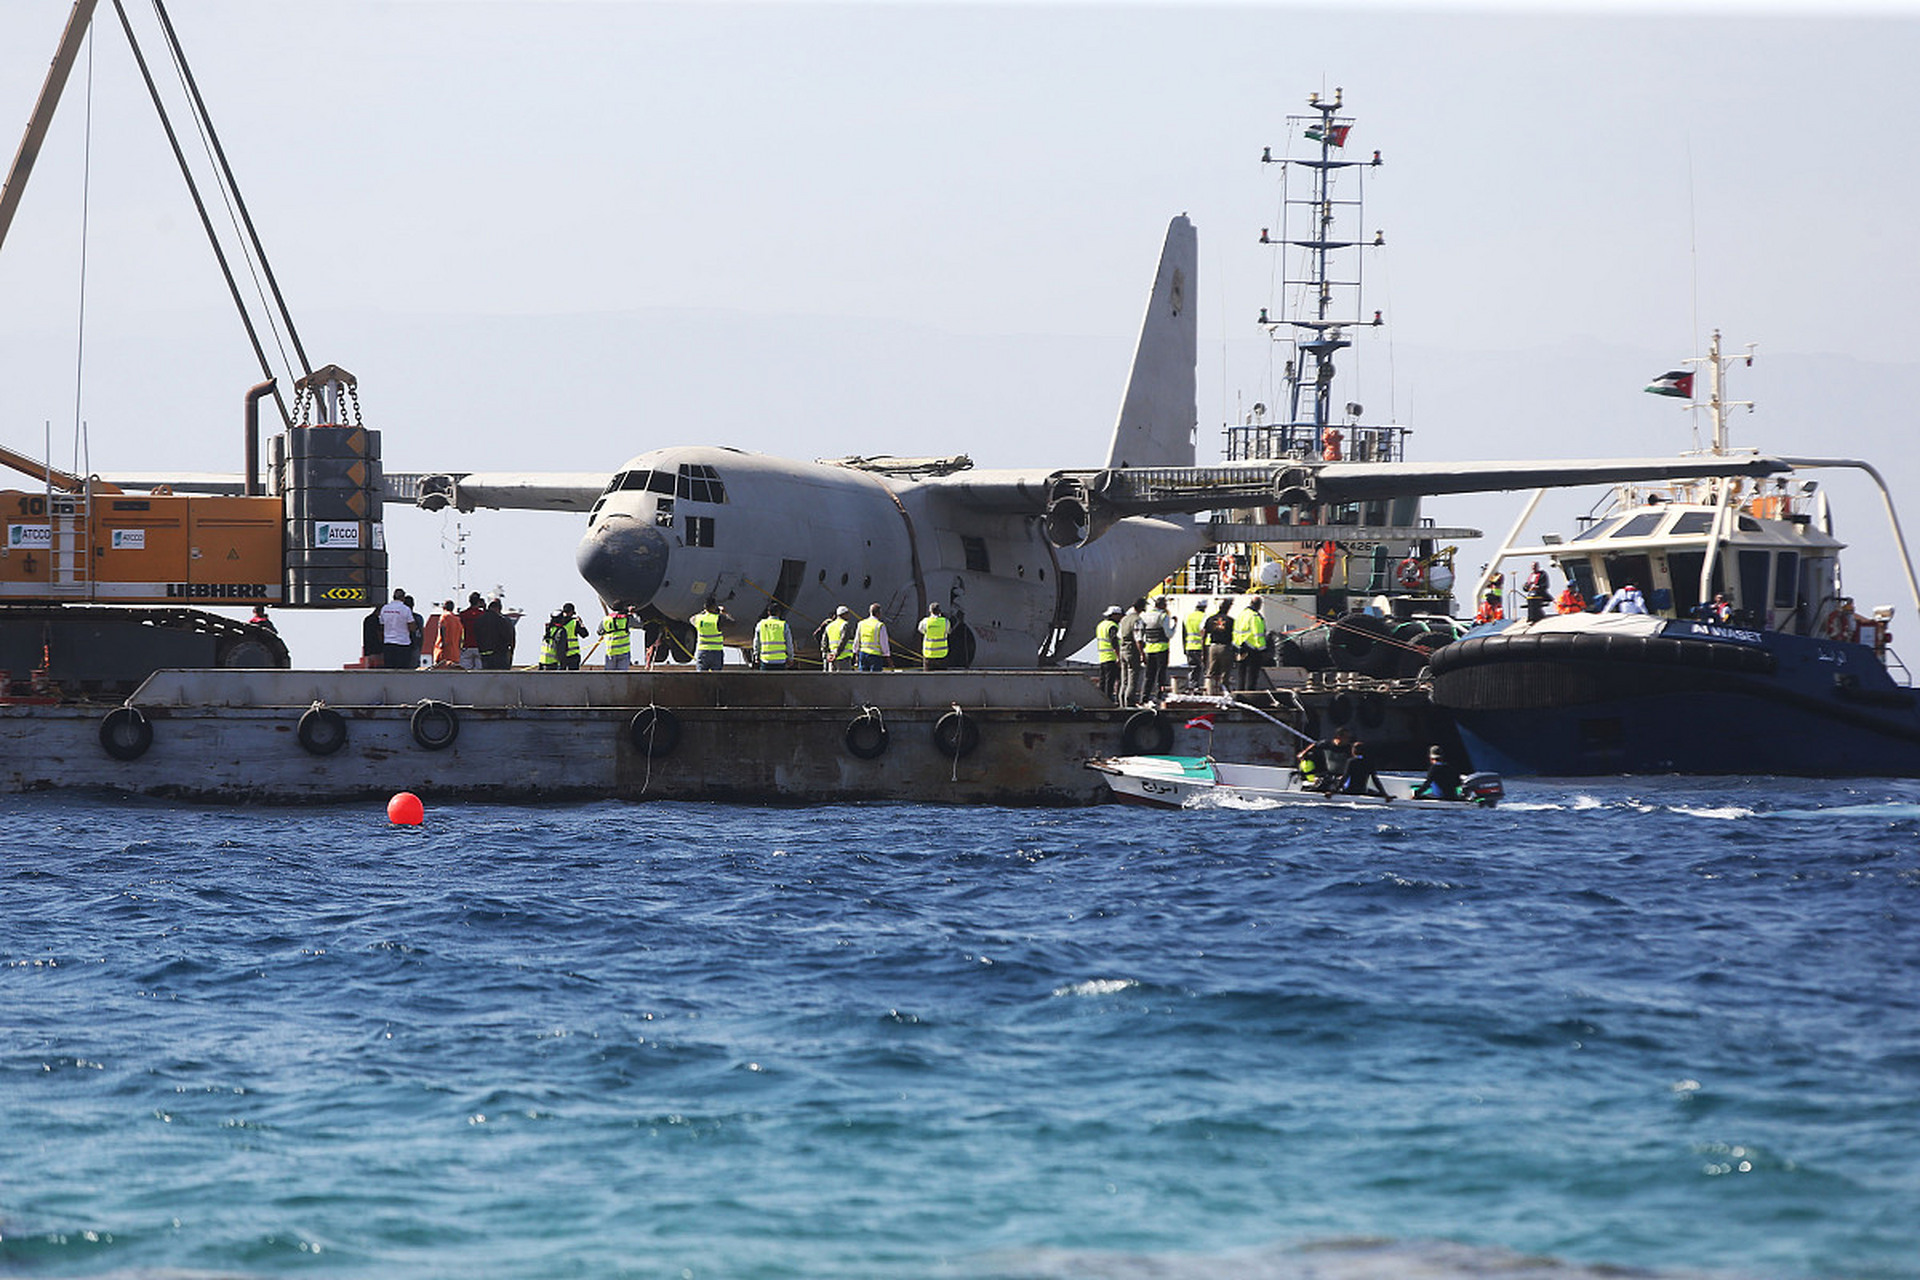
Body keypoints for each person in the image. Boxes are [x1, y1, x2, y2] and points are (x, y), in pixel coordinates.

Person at [1136, 596, 1172, 703]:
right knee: (1161, 674)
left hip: (1149, 649)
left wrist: (1142, 652)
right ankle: (1159, 696)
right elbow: (1168, 634)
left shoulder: (1144, 616)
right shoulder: (1163, 616)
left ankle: (1144, 697)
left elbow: (1139, 635)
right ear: (1163, 605)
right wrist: (1175, 625)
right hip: (1162, 649)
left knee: (1149, 675)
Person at [1233, 597, 1270, 692]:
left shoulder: (1242, 614)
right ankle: (1250, 692)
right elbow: (1258, 634)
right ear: (1258, 605)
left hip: (1240, 646)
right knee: (1252, 672)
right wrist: (1263, 649)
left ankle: (1240, 691)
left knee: (1241, 671)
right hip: (1252, 648)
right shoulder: (1255, 616)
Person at [1203, 599, 1236, 695]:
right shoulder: (1230, 620)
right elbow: (1235, 635)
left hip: (1212, 647)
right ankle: (1223, 693)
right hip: (1225, 647)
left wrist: (1204, 651)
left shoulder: (1210, 619)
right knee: (1225, 672)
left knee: (1211, 672)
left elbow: (1204, 635)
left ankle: (1209, 692)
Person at [690, 596, 731, 671]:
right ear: (715, 607)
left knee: (700, 678)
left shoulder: (698, 618)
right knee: (716, 678)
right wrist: (724, 613)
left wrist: (704, 612)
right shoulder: (718, 618)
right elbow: (732, 622)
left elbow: (691, 619)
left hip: (702, 652)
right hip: (716, 652)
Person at [1117, 599, 1145, 705]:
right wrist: (1142, 654)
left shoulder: (1124, 619)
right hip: (1132, 651)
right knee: (1132, 679)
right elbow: (1138, 639)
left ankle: (1121, 703)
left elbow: (1119, 636)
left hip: (1123, 650)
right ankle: (1129, 703)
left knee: (1124, 680)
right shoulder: (1137, 620)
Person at [379, 588, 414, 672]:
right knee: (403, 671)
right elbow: (412, 627)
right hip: (403, 643)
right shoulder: (405, 609)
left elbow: (381, 625)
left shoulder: (384, 608)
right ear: (403, 598)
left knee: (389, 670)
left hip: (388, 643)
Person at [475, 597, 515, 669]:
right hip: (499, 655)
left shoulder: (479, 619)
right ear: (498, 609)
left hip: (483, 654)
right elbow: (509, 637)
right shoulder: (502, 620)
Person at [754, 604, 795, 670]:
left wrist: (756, 656)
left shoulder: (761, 624)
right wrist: (790, 658)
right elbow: (789, 644)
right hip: (780, 661)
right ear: (779, 613)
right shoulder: (783, 625)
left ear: (768, 612)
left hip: (765, 661)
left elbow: (756, 642)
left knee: (765, 680)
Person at [1095, 606, 1122, 702]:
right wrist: (1119, 656)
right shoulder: (1112, 626)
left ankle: (1101, 700)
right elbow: (1114, 641)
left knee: (1103, 680)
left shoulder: (1101, 625)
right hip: (1112, 657)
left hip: (1102, 657)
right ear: (1114, 615)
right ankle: (1108, 700)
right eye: (1119, 615)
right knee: (1110, 681)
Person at [817, 605, 856, 672]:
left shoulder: (829, 626)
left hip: (832, 659)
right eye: (847, 613)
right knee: (845, 680)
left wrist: (827, 654)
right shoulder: (845, 625)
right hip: (843, 658)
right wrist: (836, 654)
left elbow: (824, 643)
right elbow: (843, 641)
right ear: (844, 614)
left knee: (833, 680)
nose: (849, 615)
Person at [1182, 599, 1209, 692]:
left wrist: (1184, 649)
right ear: (1205, 607)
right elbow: (1204, 634)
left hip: (1189, 646)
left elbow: (1184, 634)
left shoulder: (1187, 617)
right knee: (1203, 669)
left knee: (1193, 668)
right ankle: (1199, 688)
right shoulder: (1205, 617)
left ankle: (1192, 687)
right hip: (1200, 647)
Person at [855, 603, 891, 672]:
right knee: (875, 680)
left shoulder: (861, 624)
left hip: (863, 655)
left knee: (862, 678)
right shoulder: (880, 625)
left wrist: (856, 652)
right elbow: (884, 643)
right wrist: (887, 657)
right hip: (875, 656)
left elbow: (857, 640)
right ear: (878, 613)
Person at [598, 603, 634, 670]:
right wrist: (633, 613)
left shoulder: (606, 619)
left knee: (609, 676)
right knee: (622, 677)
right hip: (623, 652)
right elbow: (640, 623)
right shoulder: (626, 619)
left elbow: (599, 631)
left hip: (611, 652)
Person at [431, 601, 464, 668]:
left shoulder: (444, 616)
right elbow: (461, 636)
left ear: (444, 607)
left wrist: (443, 642)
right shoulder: (457, 619)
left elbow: (442, 628)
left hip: (444, 652)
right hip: (455, 653)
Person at [918, 603, 951, 670]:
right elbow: (948, 631)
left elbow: (920, 630)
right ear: (939, 611)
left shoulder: (925, 621)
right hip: (942, 655)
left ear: (930, 611)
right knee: (943, 678)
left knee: (927, 678)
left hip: (929, 655)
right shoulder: (945, 621)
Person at [458, 592, 486, 669]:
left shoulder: (463, 614)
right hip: (479, 646)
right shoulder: (482, 614)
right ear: (479, 601)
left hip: (467, 646)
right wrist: (484, 607)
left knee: (465, 671)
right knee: (479, 671)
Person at [404, 594, 425, 668]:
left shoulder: (402, 616)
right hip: (415, 645)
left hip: (404, 645)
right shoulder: (418, 617)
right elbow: (421, 634)